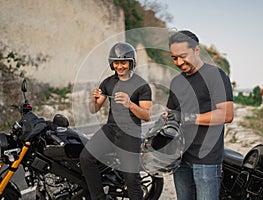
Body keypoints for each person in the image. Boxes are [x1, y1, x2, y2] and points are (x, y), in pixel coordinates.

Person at [166, 30, 234, 200]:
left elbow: (226, 115)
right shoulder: (176, 81)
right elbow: (171, 114)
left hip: (206, 159)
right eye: (174, 58)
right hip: (180, 158)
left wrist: (189, 118)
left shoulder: (215, 75)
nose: (179, 62)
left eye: (183, 55)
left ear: (196, 50)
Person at [80, 42, 152, 200]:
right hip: (110, 130)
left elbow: (146, 115)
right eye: (116, 62)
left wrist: (130, 104)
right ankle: (99, 197)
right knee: (85, 158)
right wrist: (93, 99)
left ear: (131, 62)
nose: (120, 66)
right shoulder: (108, 82)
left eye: (124, 62)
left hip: (130, 133)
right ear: (112, 63)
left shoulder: (142, 85)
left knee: (132, 179)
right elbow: (94, 109)